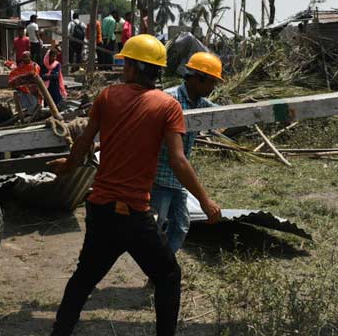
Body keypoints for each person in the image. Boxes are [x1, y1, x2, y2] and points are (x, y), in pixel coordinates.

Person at [47, 34, 222, 336]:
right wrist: (205, 201)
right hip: (135, 215)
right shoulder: (168, 107)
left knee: (83, 279)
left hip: (101, 210)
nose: (123, 68)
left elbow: (84, 141)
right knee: (168, 276)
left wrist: (67, 167)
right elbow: (179, 161)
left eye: (126, 63)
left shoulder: (107, 97)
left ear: (133, 67)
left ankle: (59, 333)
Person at [151, 52, 224, 254]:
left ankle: (163, 268)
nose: (213, 88)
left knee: (180, 226)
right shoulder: (168, 99)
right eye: (212, 82)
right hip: (158, 178)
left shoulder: (200, 103)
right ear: (198, 78)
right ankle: (156, 268)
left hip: (179, 179)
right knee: (154, 229)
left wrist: (251, 112)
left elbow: (224, 117)